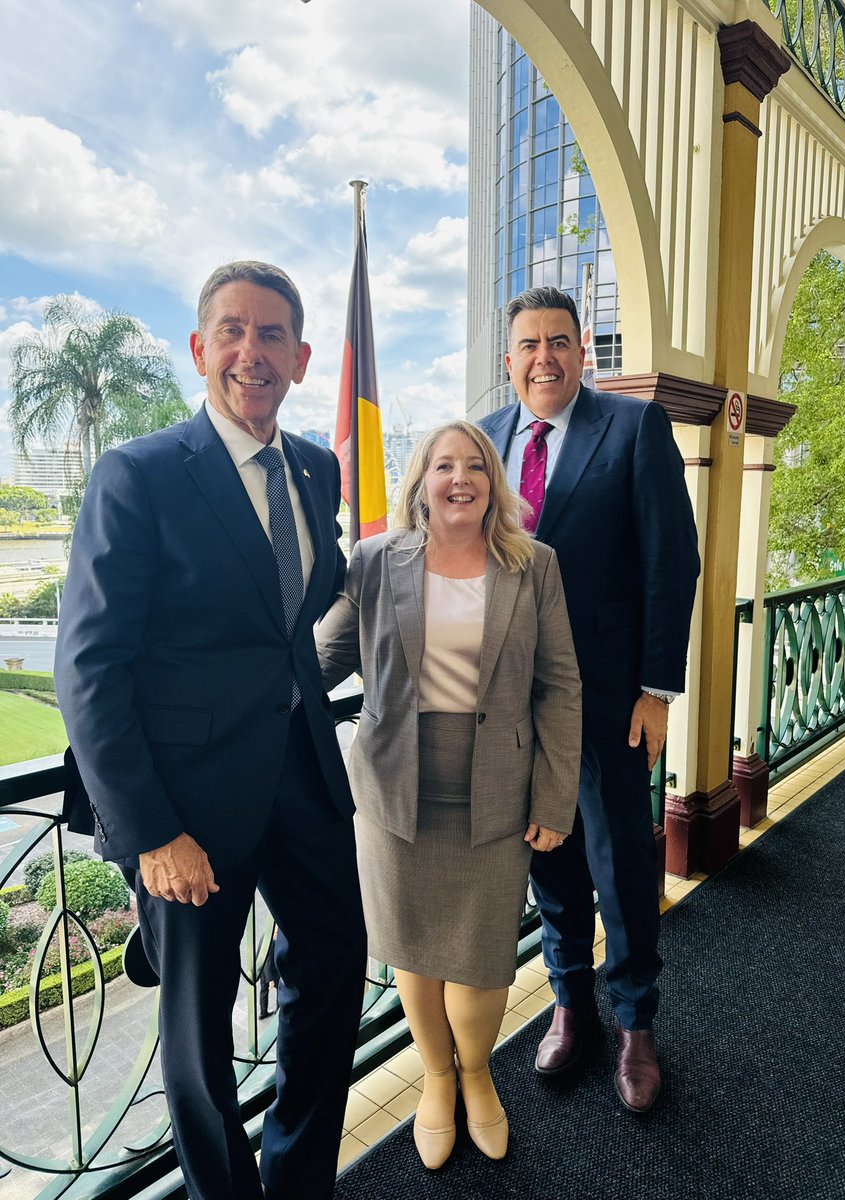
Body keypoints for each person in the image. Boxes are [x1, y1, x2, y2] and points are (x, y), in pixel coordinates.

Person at [54, 261, 367, 1200]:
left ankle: (297, 1175)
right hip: (185, 806)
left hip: (303, 775)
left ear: (302, 357)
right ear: (200, 349)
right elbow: (88, 668)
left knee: (337, 963)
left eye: (272, 335)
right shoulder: (138, 475)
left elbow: (308, 599)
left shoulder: (315, 468)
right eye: (232, 331)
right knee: (197, 1024)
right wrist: (148, 830)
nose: (251, 352)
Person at [315, 420, 581, 1169]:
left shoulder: (534, 566)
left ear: (494, 482)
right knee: (414, 959)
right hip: (395, 795)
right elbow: (320, 661)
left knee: (481, 964)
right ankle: (437, 1081)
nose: (459, 478)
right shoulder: (372, 562)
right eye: (443, 466)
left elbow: (561, 685)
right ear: (421, 483)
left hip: (498, 791)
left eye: (474, 466)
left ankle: (476, 1072)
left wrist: (554, 800)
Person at [480, 286, 700, 1112]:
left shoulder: (634, 427)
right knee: (552, 859)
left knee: (621, 864)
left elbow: (671, 562)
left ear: (584, 353)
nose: (544, 357)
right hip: (514, 706)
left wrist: (657, 689)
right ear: (509, 363)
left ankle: (638, 1023)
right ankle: (571, 1006)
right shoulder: (488, 442)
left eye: (559, 341)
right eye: (529, 344)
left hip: (609, 700)